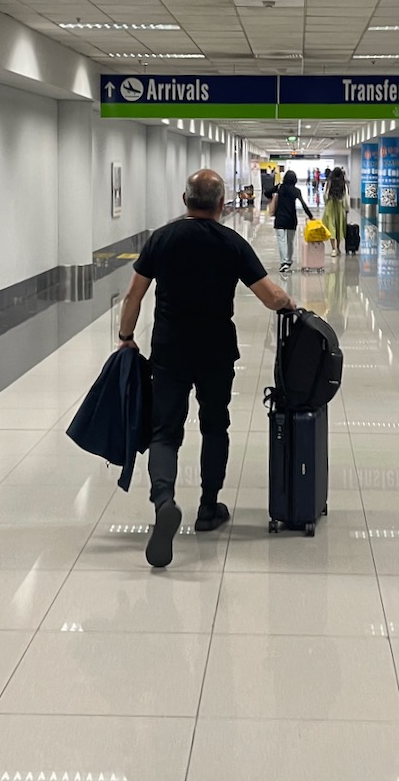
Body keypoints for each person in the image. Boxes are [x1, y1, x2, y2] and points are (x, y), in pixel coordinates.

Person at [117, 169, 297, 568]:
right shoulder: (231, 242)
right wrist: (289, 304)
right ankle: (208, 506)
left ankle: (164, 500)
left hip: (169, 349)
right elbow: (270, 295)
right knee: (215, 425)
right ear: (220, 204)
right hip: (216, 350)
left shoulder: (162, 238)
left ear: (185, 199)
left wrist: (126, 335)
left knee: (165, 430)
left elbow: (134, 293)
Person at [268, 168, 312, 275]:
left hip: (280, 219)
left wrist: (272, 198)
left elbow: (266, 193)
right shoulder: (296, 191)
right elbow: (303, 204)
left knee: (281, 241)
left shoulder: (279, 188)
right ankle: (289, 261)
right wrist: (310, 216)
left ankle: (283, 262)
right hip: (291, 219)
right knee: (290, 241)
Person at [322, 166, 348, 257]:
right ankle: (338, 247)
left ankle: (333, 249)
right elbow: (346, 197)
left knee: (331, 226)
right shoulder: (343, 185)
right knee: (339, 226)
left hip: (330, 206)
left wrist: (326, 204)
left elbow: (325, 195)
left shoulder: (328, 183)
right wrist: (346, 209)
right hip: (340, 207)